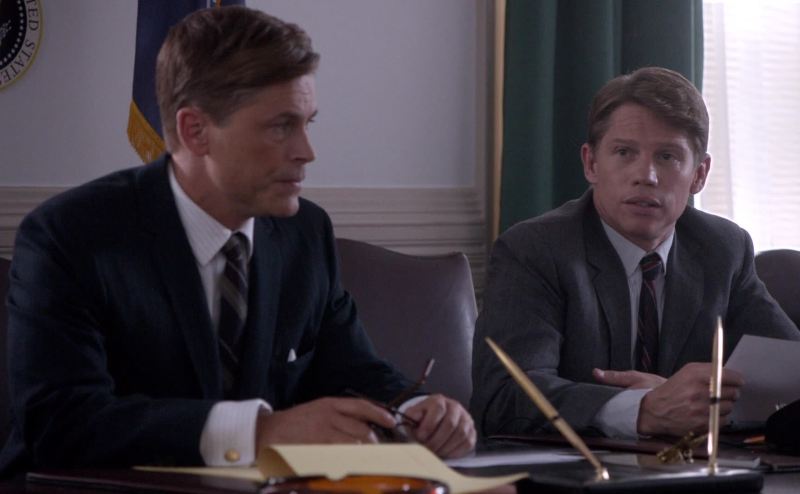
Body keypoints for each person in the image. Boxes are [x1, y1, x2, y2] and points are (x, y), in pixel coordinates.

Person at [0, 5, 474, 474]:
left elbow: (352, 371)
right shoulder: (70, 237)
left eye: (308, 123)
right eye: (281, 126)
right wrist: (258, 431)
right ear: (195, 131)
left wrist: (416, 410)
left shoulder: (306, 234)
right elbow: (60, 422)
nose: (307, 152)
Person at [471, 67, 800, 440]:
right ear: (591, 163)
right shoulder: (535, 250)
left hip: (693, 467)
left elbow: (791, 374)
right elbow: (504, 398)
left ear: (699, 174)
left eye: (668, 156)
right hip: (578, 467)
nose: (647, 176)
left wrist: (699, 404)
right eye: (624, 152)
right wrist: (641, 409)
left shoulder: (722, 248)